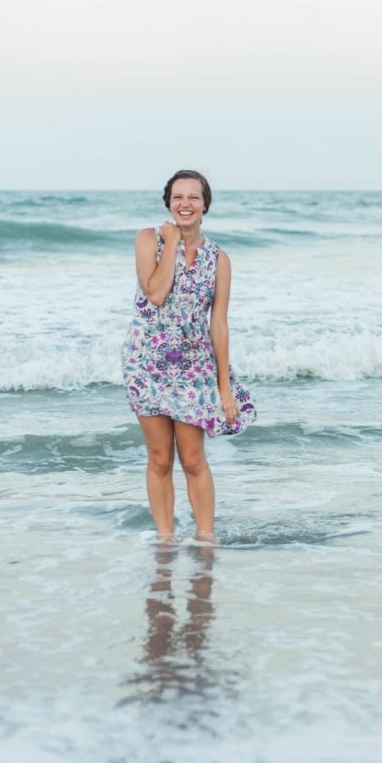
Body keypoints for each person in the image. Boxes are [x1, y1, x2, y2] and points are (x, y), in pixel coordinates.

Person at [122, 169, 256, 540]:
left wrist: (224, 387)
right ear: (168, 202)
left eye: (193, 197)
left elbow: (219, 325)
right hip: (146, 361)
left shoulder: (219, 259)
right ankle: (165, 539)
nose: (185, 204)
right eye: (178, 197)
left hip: (195, 366)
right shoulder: (149, 239)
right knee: (161, 458)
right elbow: (155, 293)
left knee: (194, 459)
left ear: (205, 205)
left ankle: (205, 538)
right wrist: (173, 244)